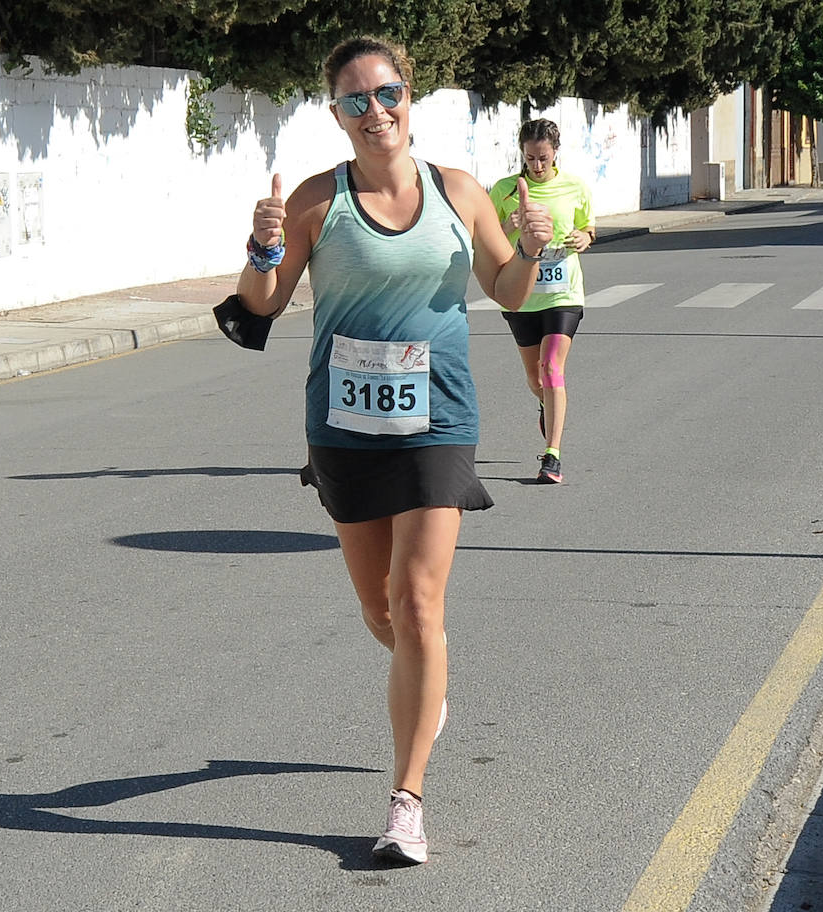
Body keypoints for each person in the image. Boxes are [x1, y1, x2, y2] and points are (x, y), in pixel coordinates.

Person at [234, 35, 552, 865]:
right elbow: (259, 302)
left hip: (438, 419)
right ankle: (427, 679)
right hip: (343, 425)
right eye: (355, 99)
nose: (376, 111)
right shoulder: (315, 200)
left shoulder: (459, 192)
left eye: (388, 93)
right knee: (380, 610)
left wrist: (534, 248)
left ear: (411, 97)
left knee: (417, 605)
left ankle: (406, 800)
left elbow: (508, 290)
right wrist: (264, 245)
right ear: (335, 113)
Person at [488, 120, 595, 485]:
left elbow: (588, 228)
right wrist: (508, 226)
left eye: (543, 158)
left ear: (555, 153)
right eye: (530, 158)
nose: (537, 166)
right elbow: (487, 244)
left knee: (552, 368)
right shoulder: (504, 191)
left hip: (564, 293)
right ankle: (544, 401)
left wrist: (584, 237)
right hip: (521, 298)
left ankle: (553, 455)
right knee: (536, 379)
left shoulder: (574, 187)